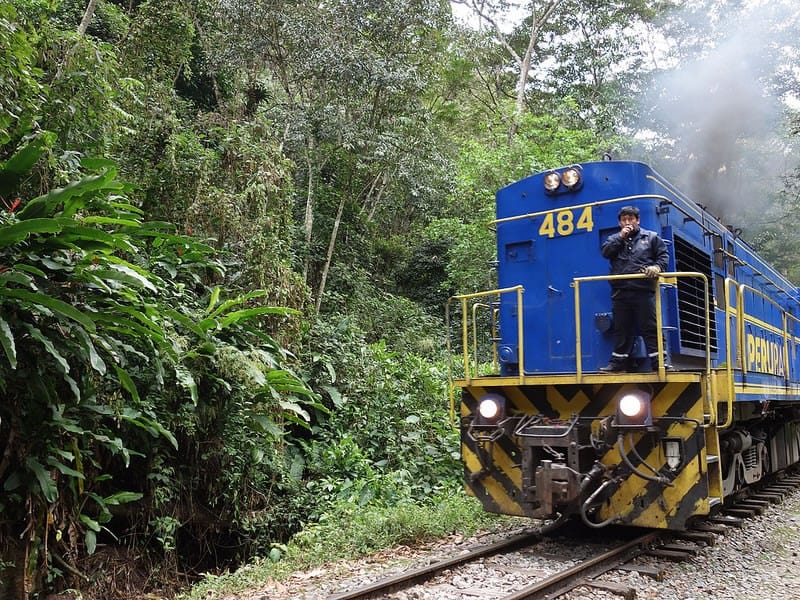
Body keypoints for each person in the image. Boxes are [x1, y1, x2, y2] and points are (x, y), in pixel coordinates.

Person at [599, 206, 670, 372]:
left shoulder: (651, 237)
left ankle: (660, 363)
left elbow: (663, 256)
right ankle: (618, 364)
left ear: (637, 220)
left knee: (650, 327)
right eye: (624, 220)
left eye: (631, 219)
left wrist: (657, 268)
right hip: (620, 291)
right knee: (621, 329)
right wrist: (620, 237)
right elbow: (605, 252)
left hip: (643, 290)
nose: (627, 222)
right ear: (619, 223)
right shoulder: (614, 239)